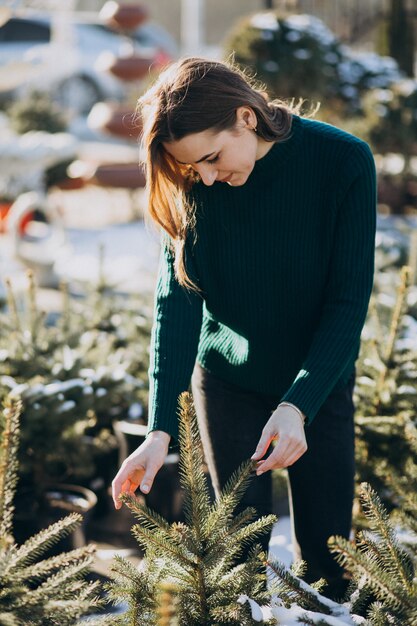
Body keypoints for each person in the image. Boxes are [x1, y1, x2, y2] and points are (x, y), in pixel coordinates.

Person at [112, 57, 376, 600]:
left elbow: (347, 304)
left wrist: (298, 403)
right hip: (228, 386)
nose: (207, 177)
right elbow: (176, 304)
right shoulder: (192, 179)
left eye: (212, 157)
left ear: (246, 118)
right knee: (237, 568)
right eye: (193, 168)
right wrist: (160, 429)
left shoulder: (343, 161)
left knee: (328, 560)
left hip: (317, 387)